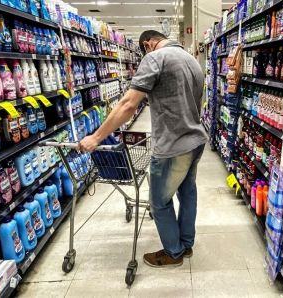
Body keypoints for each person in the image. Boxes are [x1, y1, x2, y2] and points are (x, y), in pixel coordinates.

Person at [77, 30, 207, 267]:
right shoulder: (191, 60)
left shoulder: (155, 58)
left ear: (148, 44)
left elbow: (128, 104)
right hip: (195, 141)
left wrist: (96, 137)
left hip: (172, 146)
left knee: (159, 202)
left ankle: (173, 252)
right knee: (187, 193)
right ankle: (186, 244)